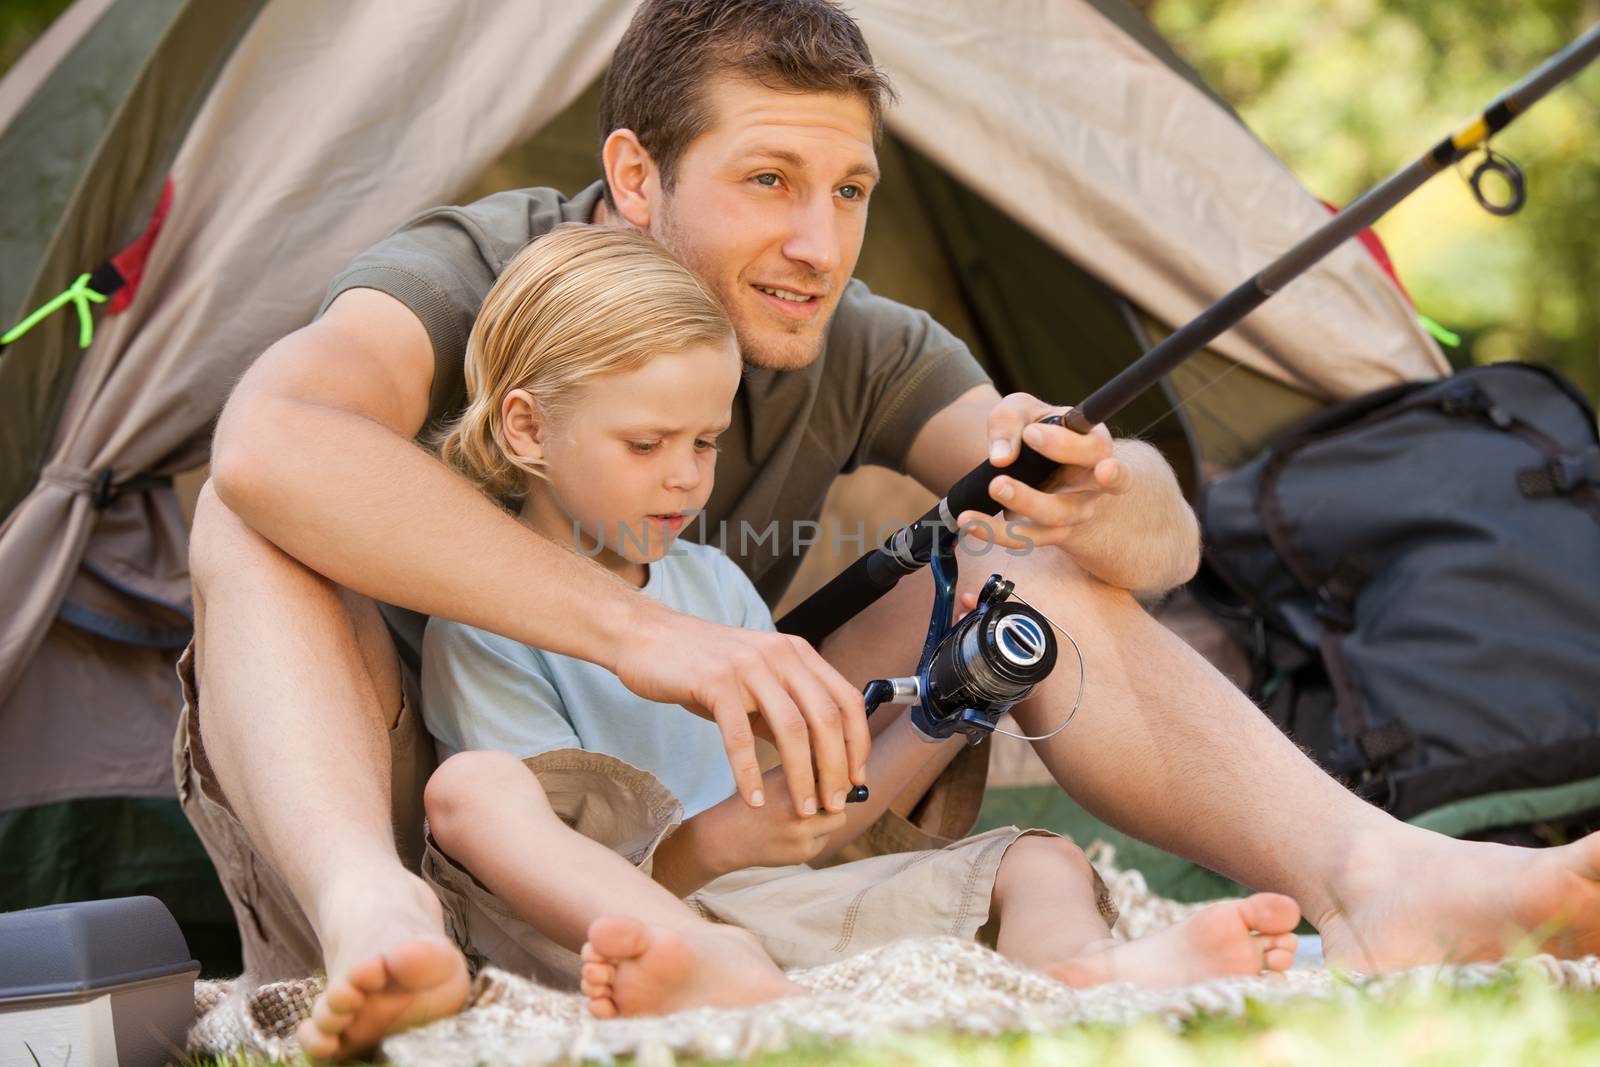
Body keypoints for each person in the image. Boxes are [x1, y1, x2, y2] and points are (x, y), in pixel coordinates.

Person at [180, 0, 1600, 1059]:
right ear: (632, 176)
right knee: (254, 519)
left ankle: (1376, 875)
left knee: (1021, 551)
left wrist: (1111, 502)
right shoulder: (484, 271)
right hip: (449, 801)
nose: (819, 241)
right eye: (768, 181)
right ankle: (377, 921)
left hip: (713, 815)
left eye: (850, 189)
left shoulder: (857, 340)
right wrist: (652, 632)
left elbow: (1158, 547)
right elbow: (271, 441)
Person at [339, 225, 1292, 1040]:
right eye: (646, 444)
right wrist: (718, 851)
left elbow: (821, 818)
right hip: (604, 928)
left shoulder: (710, 582)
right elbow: (539, 868)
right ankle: (696, 964)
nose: (685, 478)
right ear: (527, 429)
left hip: (765, 907)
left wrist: (946, 709)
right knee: (469, 788)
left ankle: (1078, 971)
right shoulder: (490, 623)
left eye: (705, 442)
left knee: (1043, 856)